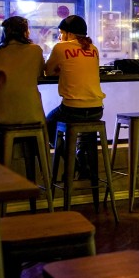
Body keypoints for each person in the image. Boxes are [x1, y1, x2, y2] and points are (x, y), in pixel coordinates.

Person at [45, 15, 106, 187]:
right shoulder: (93, 49)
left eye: (61, 32)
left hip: (72, 109)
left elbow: (48, 71)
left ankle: (75, 163)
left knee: (49, 123)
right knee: (85, 133)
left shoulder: (60, 47)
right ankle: (83, 166)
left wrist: (61, 69)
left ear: (69, 34)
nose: (59, 36)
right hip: (96, 109)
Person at [0, 16, 47, 153]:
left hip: (1, 115)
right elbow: (40, 73)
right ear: (25, 32)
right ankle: (36, 163)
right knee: (40, 116)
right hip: (31, 113)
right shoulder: (36, 51)